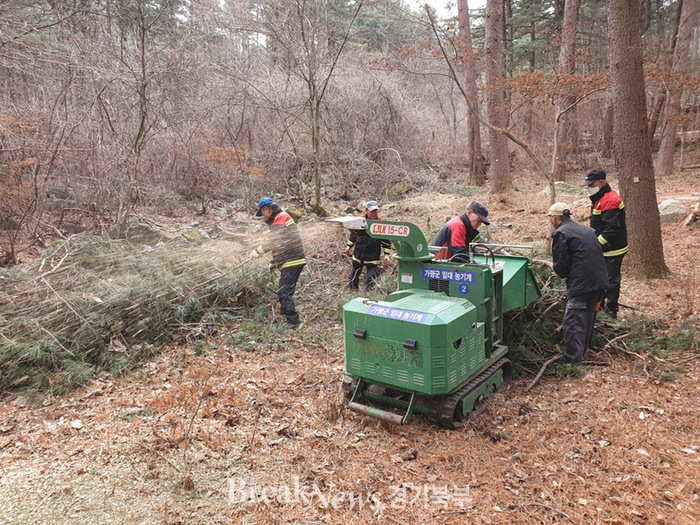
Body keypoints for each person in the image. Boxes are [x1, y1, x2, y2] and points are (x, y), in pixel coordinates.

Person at [548, 202, 608, 366]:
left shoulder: (561, 233)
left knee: (573, 321)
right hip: (599, 282)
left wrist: (559, 271)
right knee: (588, 317)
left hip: (582, 284)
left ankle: (572, 362)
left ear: (555, 218)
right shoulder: (588, 230)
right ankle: (583, 352)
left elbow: (561, 267)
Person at [251, 197, 307, 329]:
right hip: (291, 259)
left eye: (262, 213)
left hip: (292, 260)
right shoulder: (278, 219)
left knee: (283, 292)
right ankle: (288, 316)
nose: (263, 217)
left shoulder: (281, 217)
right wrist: (273, 262)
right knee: (286, 291)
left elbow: (275, 240)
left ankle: (293, 322)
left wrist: (258, 251)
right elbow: (281, 245)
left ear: (267, 209)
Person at [581, 169, 629, 319]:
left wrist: (596, 244)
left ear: (601, 183)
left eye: (592, 184)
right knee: (600, 279)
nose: (589, 187)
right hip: (603, 248)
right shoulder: (600, 198)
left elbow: (611, 229)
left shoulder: (610, 200)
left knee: (611, 281)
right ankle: (599, 307)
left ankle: (611, 311)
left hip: (612, 249)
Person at [345, 200, 391, 291]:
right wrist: (349, 247)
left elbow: (386, 241)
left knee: (371, 279)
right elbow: (353, 235)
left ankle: (369, 295)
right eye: (372, 211)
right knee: (354, 276)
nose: (374, 213)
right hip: (359, 254)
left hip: (373, 256)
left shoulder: (381, 223)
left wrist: (386, 255)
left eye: (376, 211)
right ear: (366, 210)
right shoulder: (360, 220)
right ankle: (352, 291)